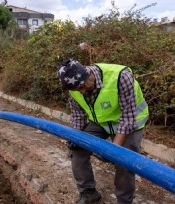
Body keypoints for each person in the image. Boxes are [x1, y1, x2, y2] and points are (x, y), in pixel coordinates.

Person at [57, 58, 149, 204]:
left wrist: (113, 150)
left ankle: (124, 201)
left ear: (87, 74)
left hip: (130, 121)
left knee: (123, 161)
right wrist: (75, 137)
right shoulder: (73, 88)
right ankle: (88, 193)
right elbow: (78, 115)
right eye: (76, 90)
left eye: (82, 86)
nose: (81, 91)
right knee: (77, 149)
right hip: (101, 121)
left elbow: (128, 117)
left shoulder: (121, 76)